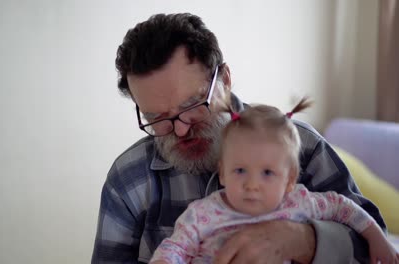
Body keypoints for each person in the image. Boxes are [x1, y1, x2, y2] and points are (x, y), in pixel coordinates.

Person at [92, 13, 386, 263]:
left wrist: (306, 241)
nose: (180, 130)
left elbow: (376, 245)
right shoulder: (128, 180)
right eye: (157, 119)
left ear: (225, 80)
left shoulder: (301, 147)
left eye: (191, 105)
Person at [149, 98, 399, 264]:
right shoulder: (202, 214)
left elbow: (344, 207)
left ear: (290, 179)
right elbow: (175, 248)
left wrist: (377, 238)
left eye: (267, 173)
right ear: (222, 172)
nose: (252, 185)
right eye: (239, 170)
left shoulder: (300, 202)